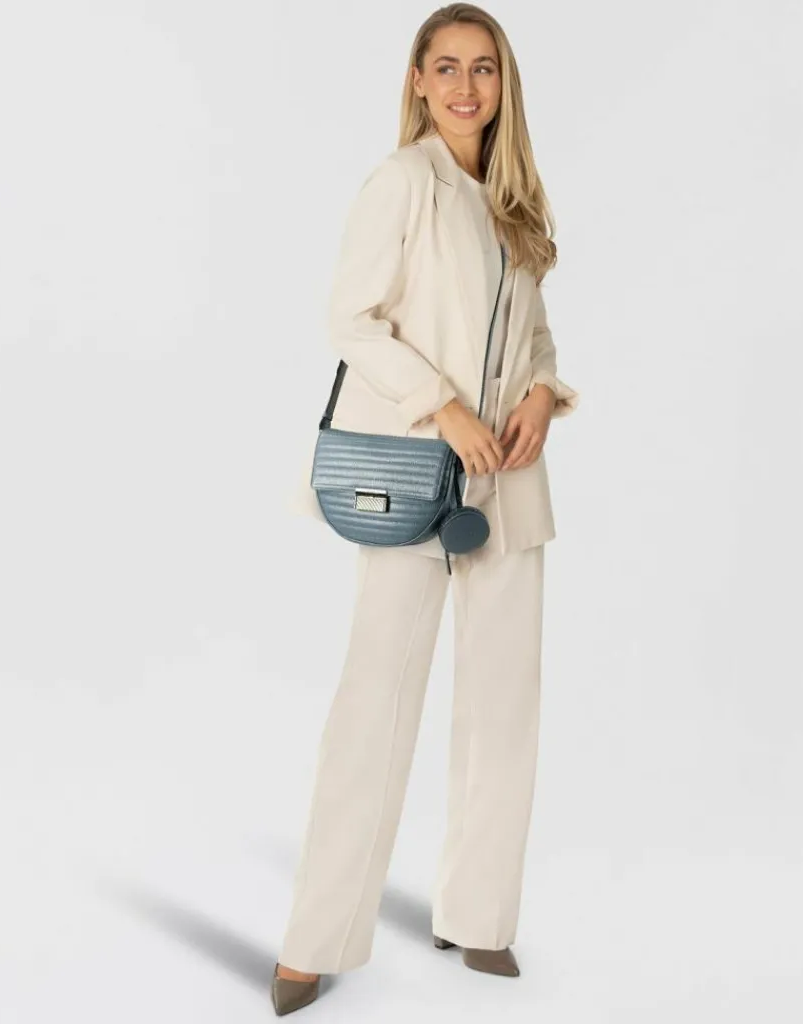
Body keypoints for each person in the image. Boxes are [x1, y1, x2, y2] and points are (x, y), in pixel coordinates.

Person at [272, 3, 580, 1015]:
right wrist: (441, 407)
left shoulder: (515, 199)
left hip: (508, 483)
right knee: (376, 703)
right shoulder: (402, 183)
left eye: (482, 68)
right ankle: (314, 939)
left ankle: (479, 917)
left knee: (504, 710)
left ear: (504, 84)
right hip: (415, 475)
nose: (463, 86)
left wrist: (543, 392)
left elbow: (532, 334)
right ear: (416, 80)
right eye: (444, 67)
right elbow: (351, 321)